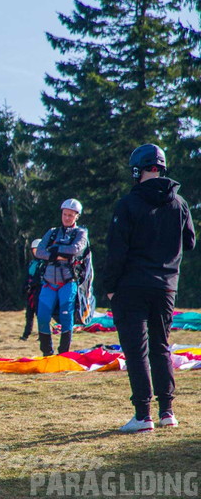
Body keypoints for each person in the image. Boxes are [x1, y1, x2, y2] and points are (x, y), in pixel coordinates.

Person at [103, 144, 195, 433]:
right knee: (161, 347)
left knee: (136, 351)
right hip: (167, 287)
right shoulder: (179, 203)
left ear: (137, 169)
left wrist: (109, 286)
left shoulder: (128, 204)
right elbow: (190, 242)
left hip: (132, 285)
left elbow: (116, 249)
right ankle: (167, 411)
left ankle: (143, 415)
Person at [34, 199, 88, 356]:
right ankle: (47, 352)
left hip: (68, 282)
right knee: (43, 316)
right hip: (49, 282)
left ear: (76, 216)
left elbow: (75, 249)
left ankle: (64, 352)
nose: (67, 218)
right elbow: (39, 252)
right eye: (65, 214)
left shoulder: (81, 233)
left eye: (71, 215)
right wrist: (59, 255)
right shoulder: (51, 233)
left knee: (66, 316)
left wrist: (53, 251)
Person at [20, 239, 45, 341]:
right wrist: (25, 286)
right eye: (34, 249)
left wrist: (34, 284)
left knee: (40, 314)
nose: (35, 252)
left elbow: (42, 278)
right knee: (29, 314)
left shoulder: (44, 263)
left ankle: (42, 334)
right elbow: (28, 276)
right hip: (31, 292)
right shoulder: (32, 263)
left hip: (40, 291)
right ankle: (26, 334)